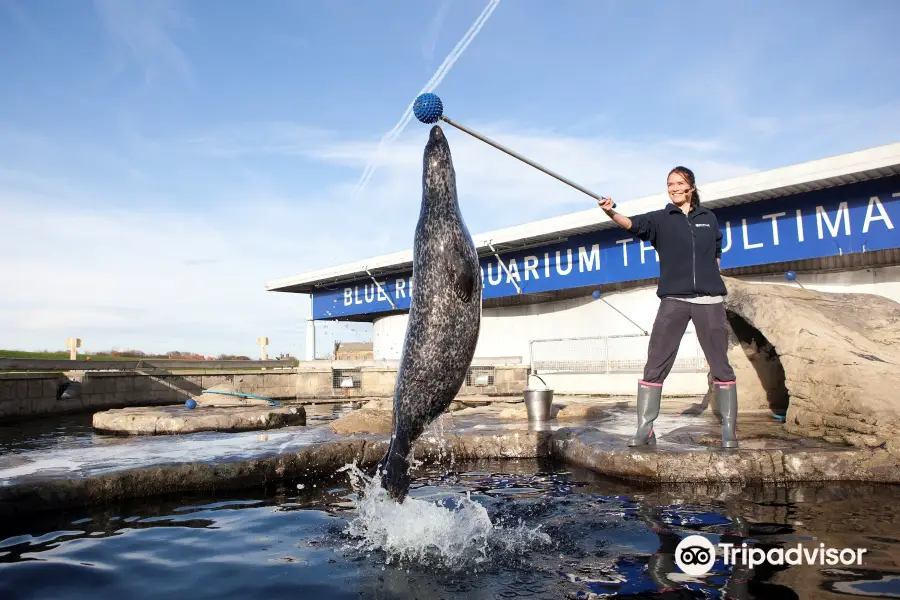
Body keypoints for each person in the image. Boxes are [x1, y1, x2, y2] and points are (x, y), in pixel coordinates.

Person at [597, 166, 738, 449]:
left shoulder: (708, 218)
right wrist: (611, 212)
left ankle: (728, 430)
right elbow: (632, 224)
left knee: (721, 364)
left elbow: (717, 252)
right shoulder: (661, 219)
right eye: (670, 183)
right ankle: (645, 428)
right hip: (674, 300)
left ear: (691, 187)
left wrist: (712, 277)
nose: (673, 187)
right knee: (656, 361)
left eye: (679, 183)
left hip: (709, 301)